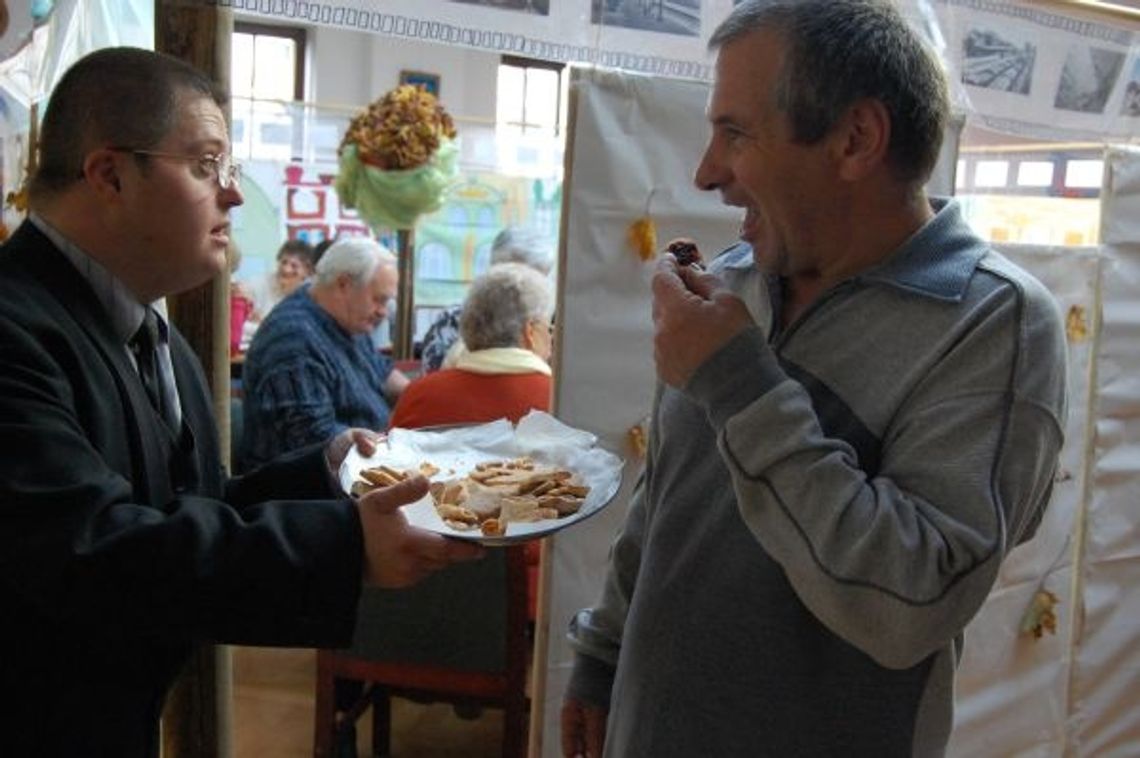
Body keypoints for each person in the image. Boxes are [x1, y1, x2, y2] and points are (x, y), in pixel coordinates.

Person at [561, 2, 1068, 757]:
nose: (706, 174)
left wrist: (739, 386)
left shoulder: (996, 323)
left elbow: (908, 605)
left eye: (735, 133)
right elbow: (666, 497)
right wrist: (604, 651)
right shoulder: (734, 287)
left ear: (856, 139)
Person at [0, 47, 482, 758]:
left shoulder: (155, 335)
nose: (232, 195)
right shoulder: (15, 328)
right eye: (206, 166)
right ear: (109, 174)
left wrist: (327, 467)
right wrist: (347, 548)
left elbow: (186, 504)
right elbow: (91, 547)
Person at [241, 236, 411, 469]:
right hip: (307, 492)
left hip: (357, 464)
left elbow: (381, 371)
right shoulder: (293, 340)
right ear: (343, 284)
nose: (383, 312)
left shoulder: (348, 320)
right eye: (379, 300)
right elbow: (316, 442)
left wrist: (423, 395)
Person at [390, 262, 554, 429]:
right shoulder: (558, 403)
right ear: (530, 332)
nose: (551, 337)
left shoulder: (417, 397)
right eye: (548, 328)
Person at [419, 225, 554, 373]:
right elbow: (435, 382)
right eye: (513, 275)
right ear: (493, 268)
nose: (529, 285)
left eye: (539, 277)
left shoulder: (550, 325)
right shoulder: (452, 321)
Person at [244, 237, 315, 321]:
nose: (286, 269)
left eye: (294, 266)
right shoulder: (258, 284)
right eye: (284, 262)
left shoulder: (311, 295)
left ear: (307, 271)